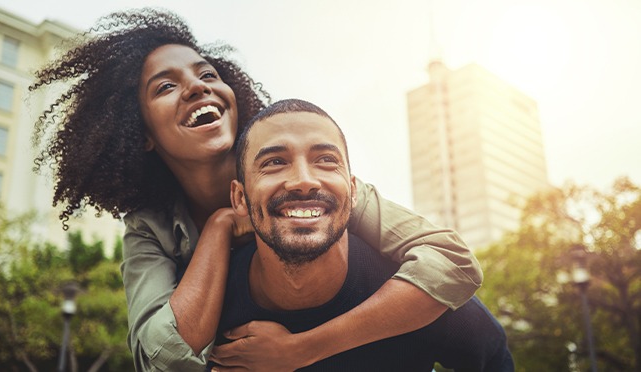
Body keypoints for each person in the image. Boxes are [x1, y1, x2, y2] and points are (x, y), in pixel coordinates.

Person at [30, 9, 483, 371]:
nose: (196, 88)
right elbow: (162, 358)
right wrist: (221, 226)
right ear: (140, 133)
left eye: (207, 75)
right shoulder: (149, 229)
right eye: (166, 86)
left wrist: (302, 350)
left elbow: (453, 264)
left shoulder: (307, 181)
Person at [209, 99, 513, 371]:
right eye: (274, 162)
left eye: (326, 160)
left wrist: (300, 350)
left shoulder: (417, 292)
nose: (303, 181)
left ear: (353, 192)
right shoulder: (214, 304)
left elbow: (493, 355)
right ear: (239, 198)